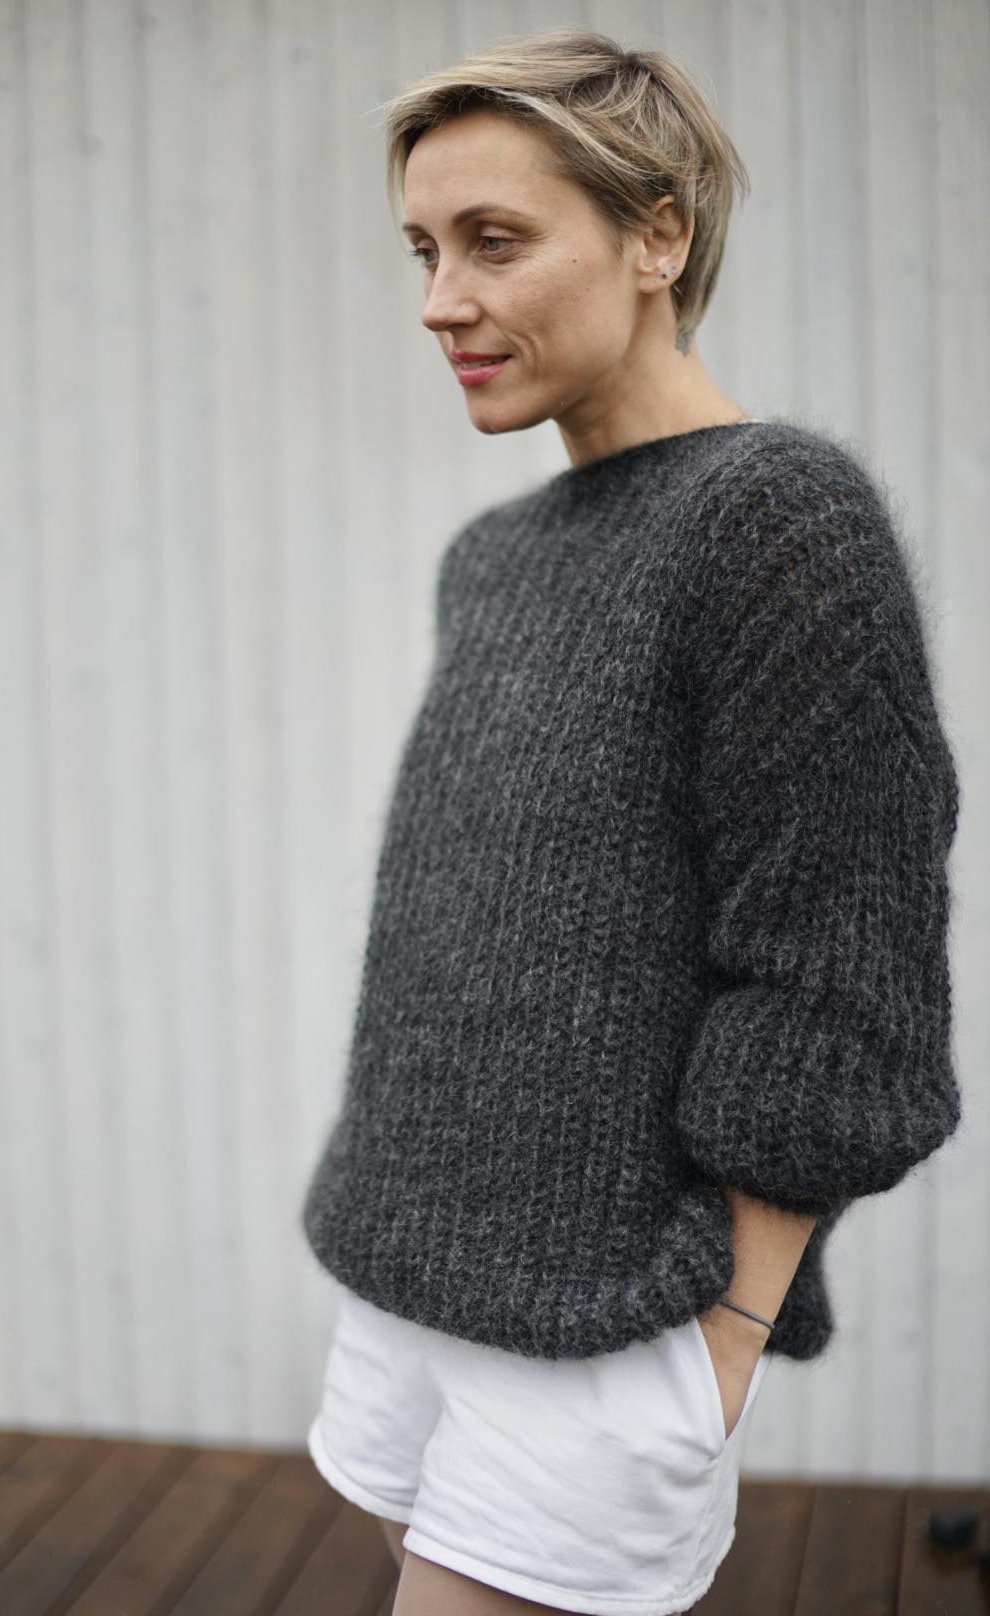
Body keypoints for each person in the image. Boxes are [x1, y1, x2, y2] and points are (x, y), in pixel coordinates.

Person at [299, 28, 962, 1616]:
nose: (440, 300)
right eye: (423, 249)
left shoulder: (779, 521)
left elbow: (837, 974)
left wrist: (726, 1335)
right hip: (409, 1269)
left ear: (657, 234)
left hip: (609, 1317)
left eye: (495, 240)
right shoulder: (495, 558)